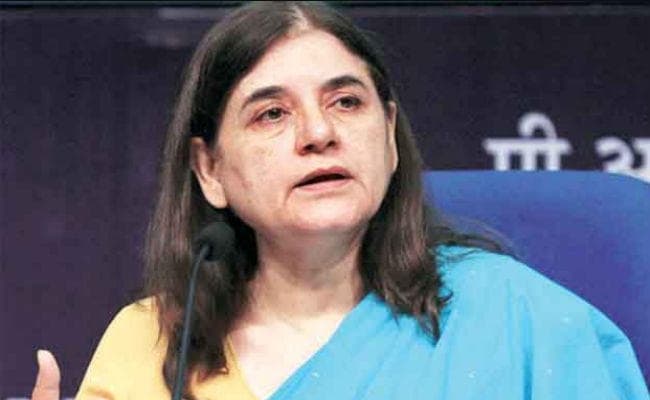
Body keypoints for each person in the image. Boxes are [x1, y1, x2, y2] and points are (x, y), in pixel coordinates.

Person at [31, 2, 648, 400]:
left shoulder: (520, 319)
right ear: (209, 169)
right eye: (272, 114)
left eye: (346, 102)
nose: (319, 133)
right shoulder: (154, 340)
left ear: (390, 135)